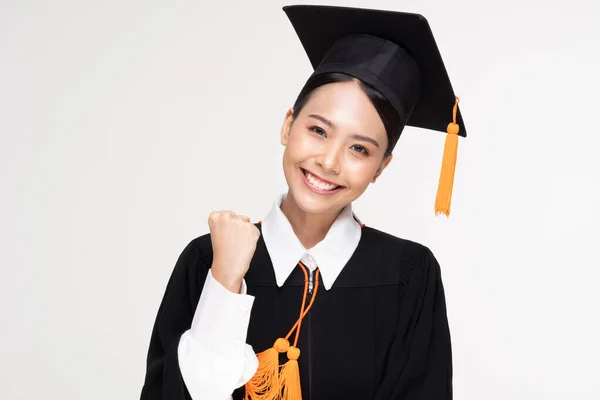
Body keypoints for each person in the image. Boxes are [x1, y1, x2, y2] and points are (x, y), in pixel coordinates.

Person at [140, 4, 467, 400]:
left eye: (360, 149)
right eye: (317, 130)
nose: (328, 162)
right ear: (287, 124)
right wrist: (225, 283)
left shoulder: (408, 275)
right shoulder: (206, 259)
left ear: (381, 167)